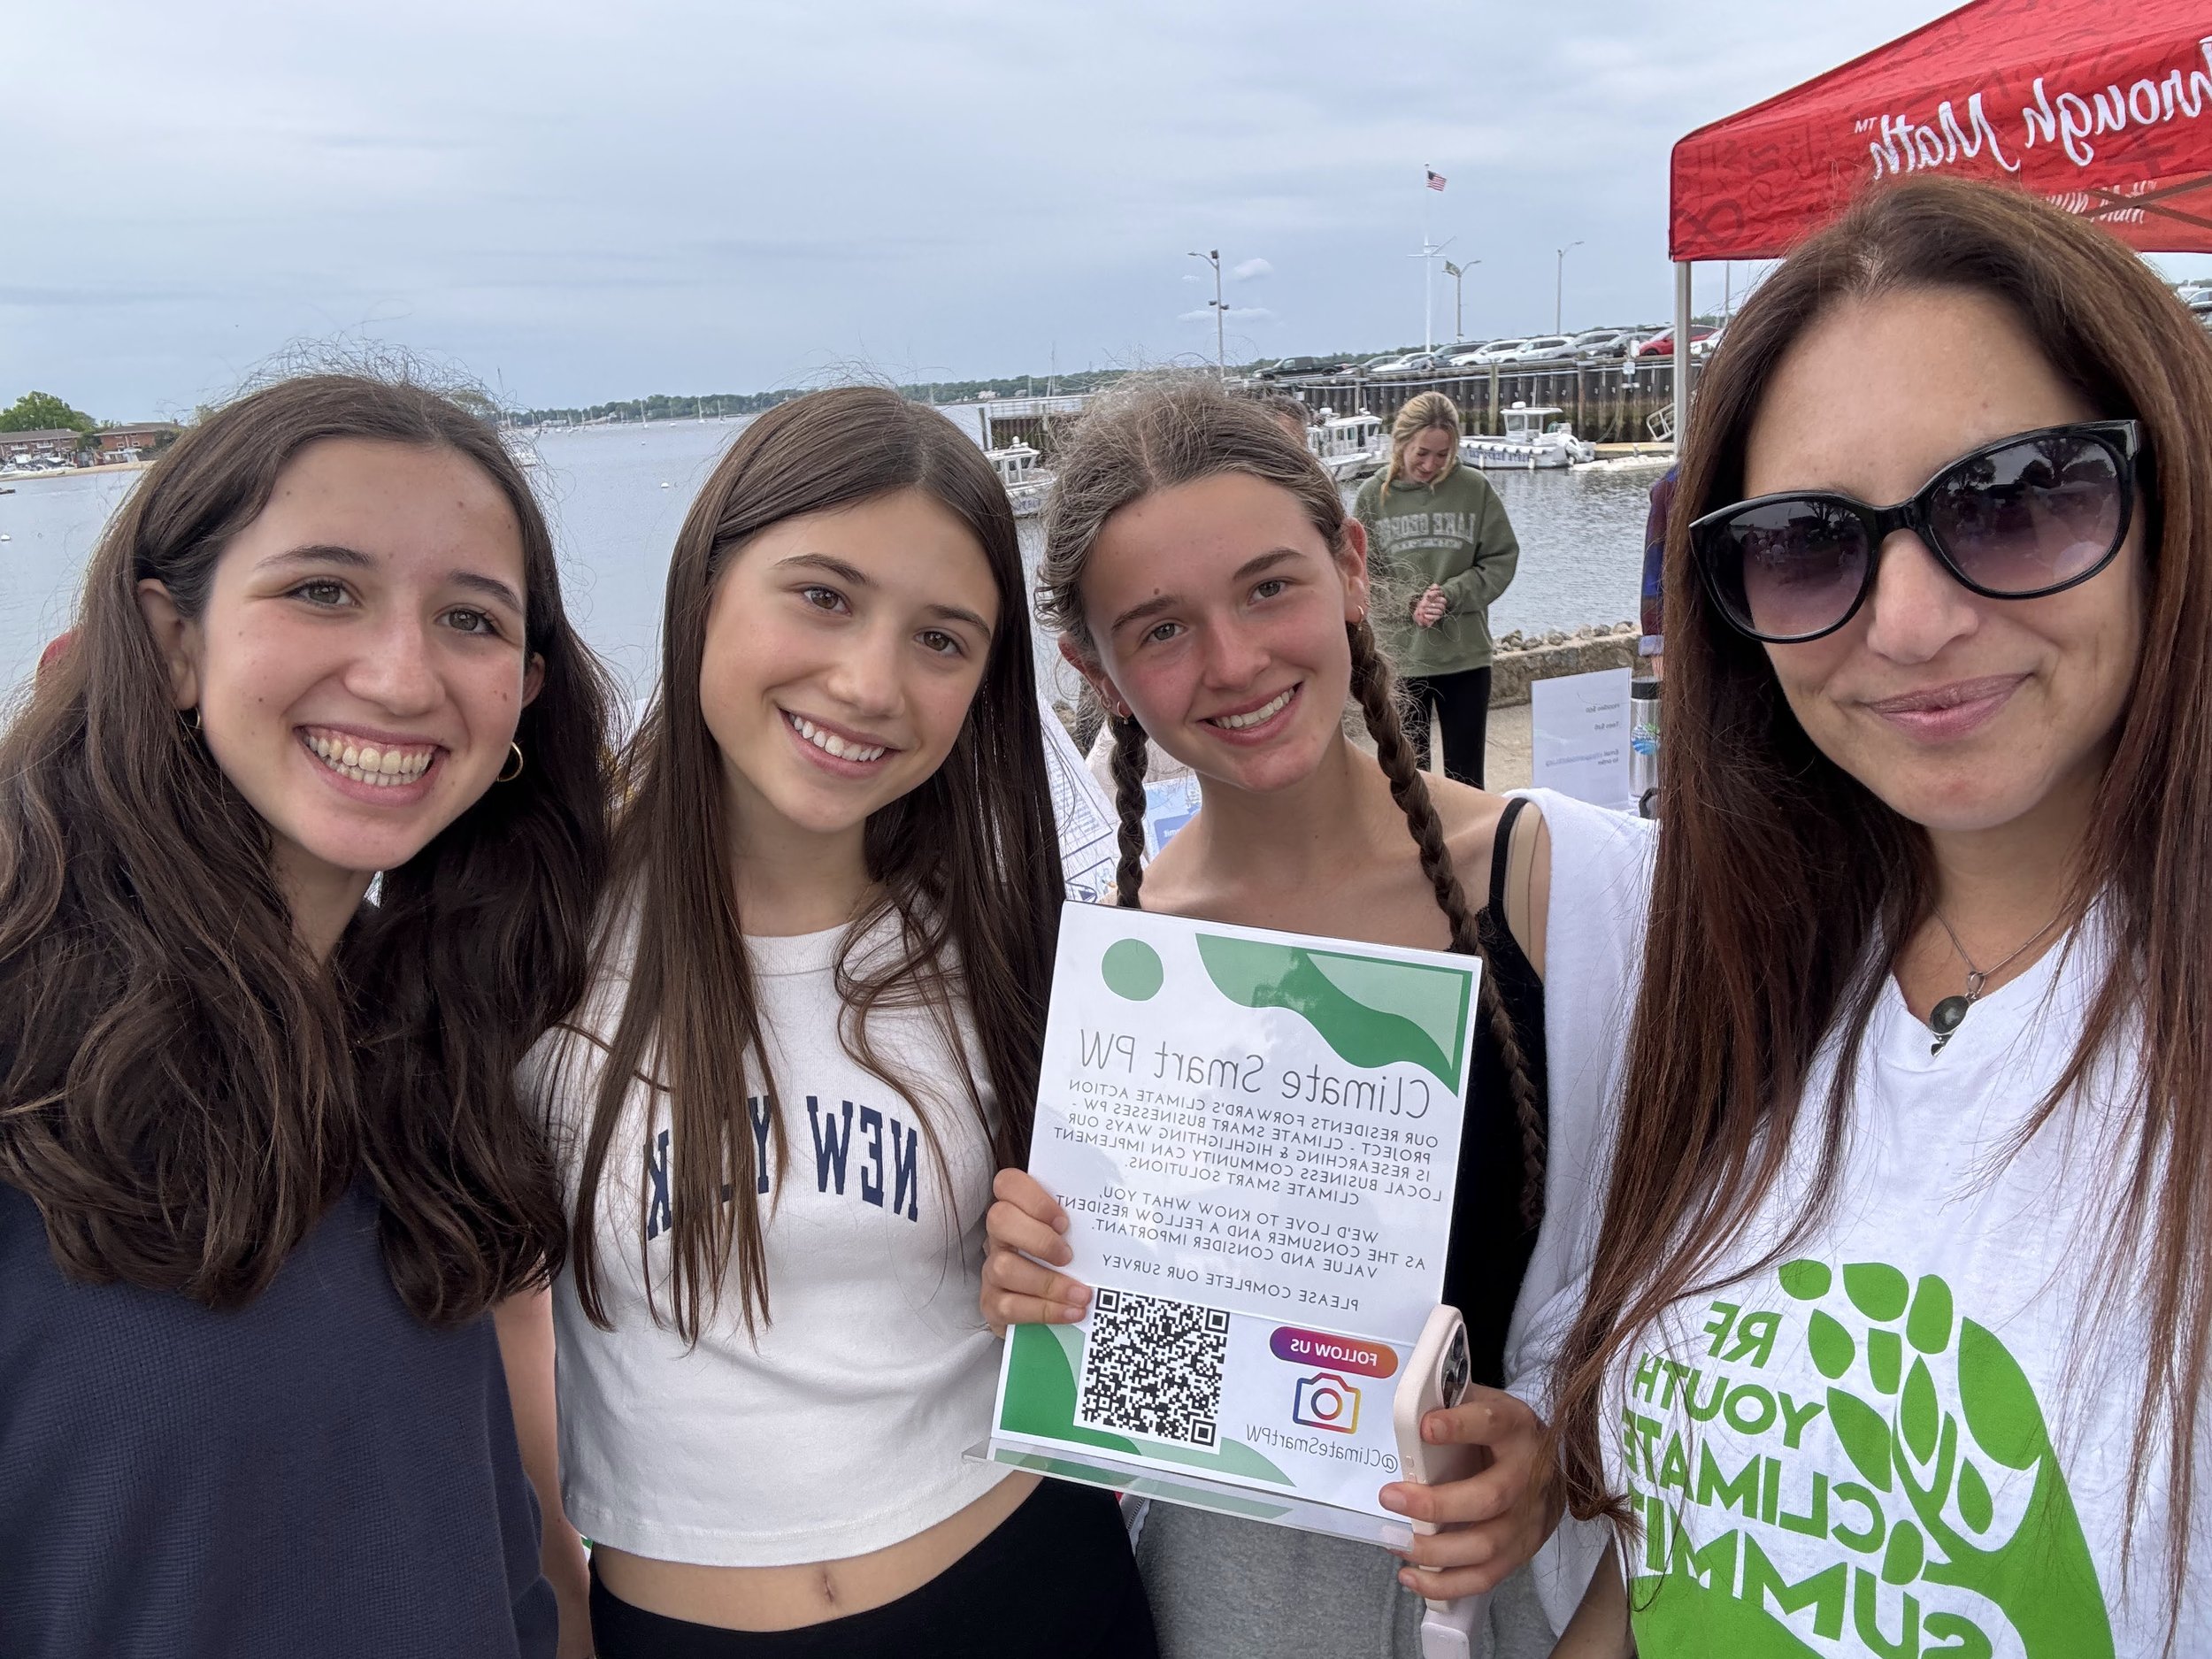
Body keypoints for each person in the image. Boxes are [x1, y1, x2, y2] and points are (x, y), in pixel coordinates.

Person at [1546, 176, 2212, 1654]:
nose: (1906, 621)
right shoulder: (1754, 985)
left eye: (2020, 499)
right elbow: (1674, 1560)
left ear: (2170, 502)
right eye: (1806, 543)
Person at [985, 377, 1644, 1658]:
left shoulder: (1585, 887)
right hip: (1220, 1598)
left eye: (1268, 586)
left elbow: (1715, 1281)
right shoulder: (1116, 965)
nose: (1234, 661)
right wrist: (1050, 1287)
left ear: (1351, 564)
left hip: (1531, 1596)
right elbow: (1149, 1390)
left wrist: (1559, 1457)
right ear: (1095, 670)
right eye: (1160, 628)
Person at [522, 387, 1157, 1658]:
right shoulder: (527, 943)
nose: (870, 681)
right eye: (821, 594)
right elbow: (475, 1331)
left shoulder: (1014, 939)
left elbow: (1148, 1354)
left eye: (941, 639)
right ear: (705, 586)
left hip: (1035, 1582)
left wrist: (1081, 1282)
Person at [0, 373, 615, 1657]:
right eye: (322, 588)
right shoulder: (24, 1061)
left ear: (522, 696)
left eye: (469, 617)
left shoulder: (434, 1050)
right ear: (175, 642)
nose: (400, 676)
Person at [1353, 392, 1518, 787]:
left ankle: (1470, 851)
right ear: (1401, 442)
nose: (1431, 465)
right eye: (1422, 453)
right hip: (1403, 661)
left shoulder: (1475, 488)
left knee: (1467, 781)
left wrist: (1451, 595)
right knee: (1412, 779)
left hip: (1465, 658)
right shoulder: (1372, 498)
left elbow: (1500, 558)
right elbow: (1360, 574)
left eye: (1442, 455)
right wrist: (1411, 601)